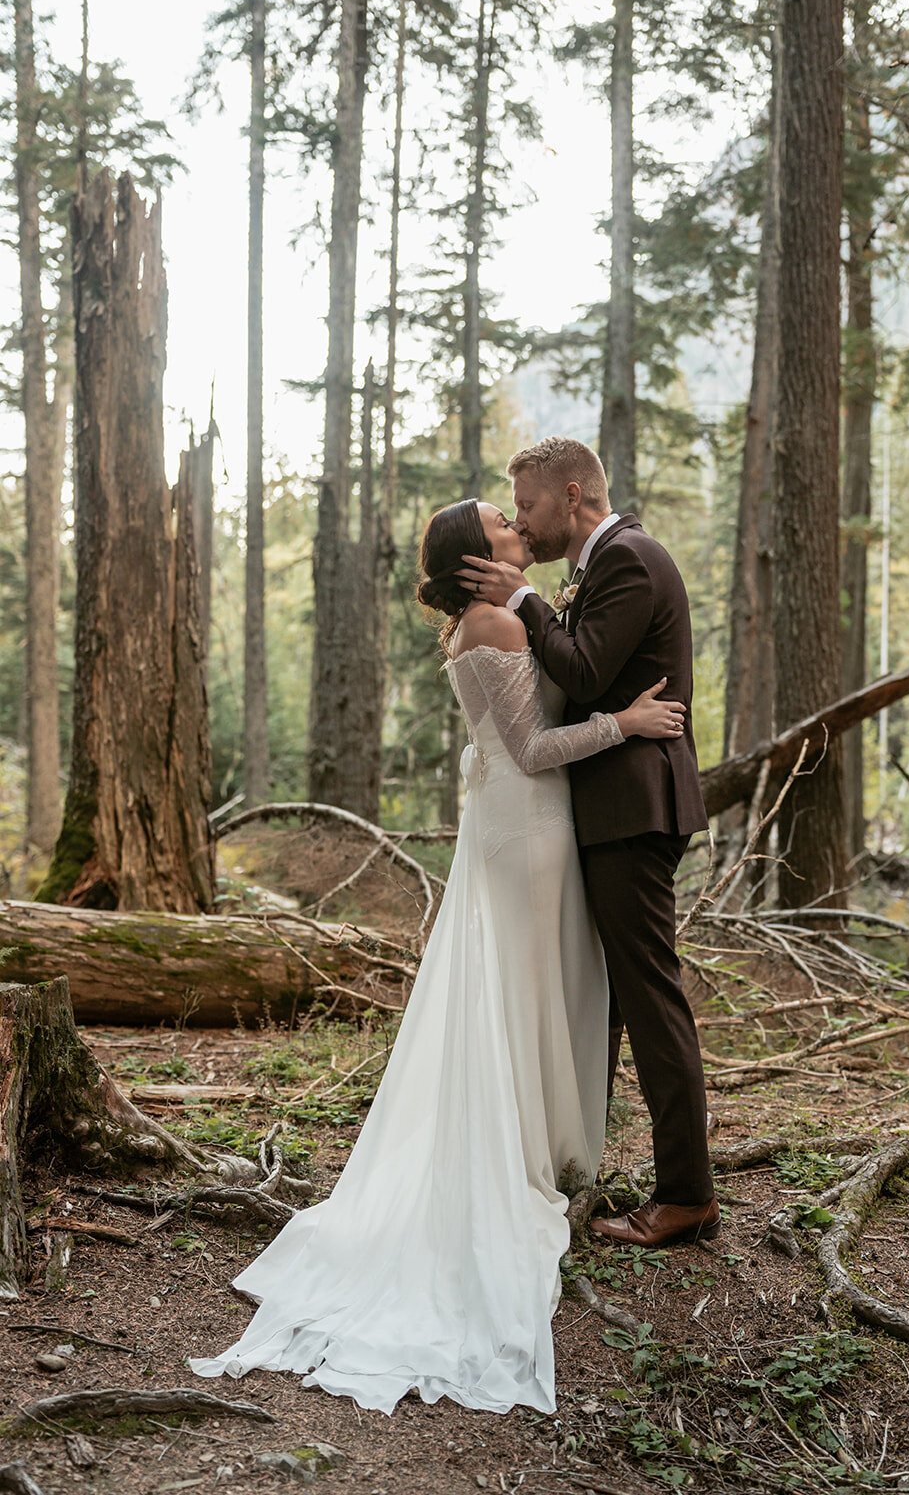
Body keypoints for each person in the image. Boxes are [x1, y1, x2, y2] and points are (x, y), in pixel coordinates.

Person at [188, 496, 686, 1416]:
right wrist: (627, 725)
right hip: (527, 827)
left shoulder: (498, 612)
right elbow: (533, 748)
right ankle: (519, 1157)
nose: (517, 526)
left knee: (529, 987)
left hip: (529, 827)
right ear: (475, 554)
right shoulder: (492, 619)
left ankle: (538, 1145)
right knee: (520, 987)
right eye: (503, 520)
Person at [459, 438, 718, 1250]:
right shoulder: (600, 566)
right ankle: (580, 1164)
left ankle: (686, 1195)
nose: (524, 525)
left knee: (647, 995)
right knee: (604, 1000)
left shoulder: (630, 561)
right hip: (602, 807)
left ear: (572, 496)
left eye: (528, 508)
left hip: (633, 808)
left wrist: (531, 602)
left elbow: (584, 665)